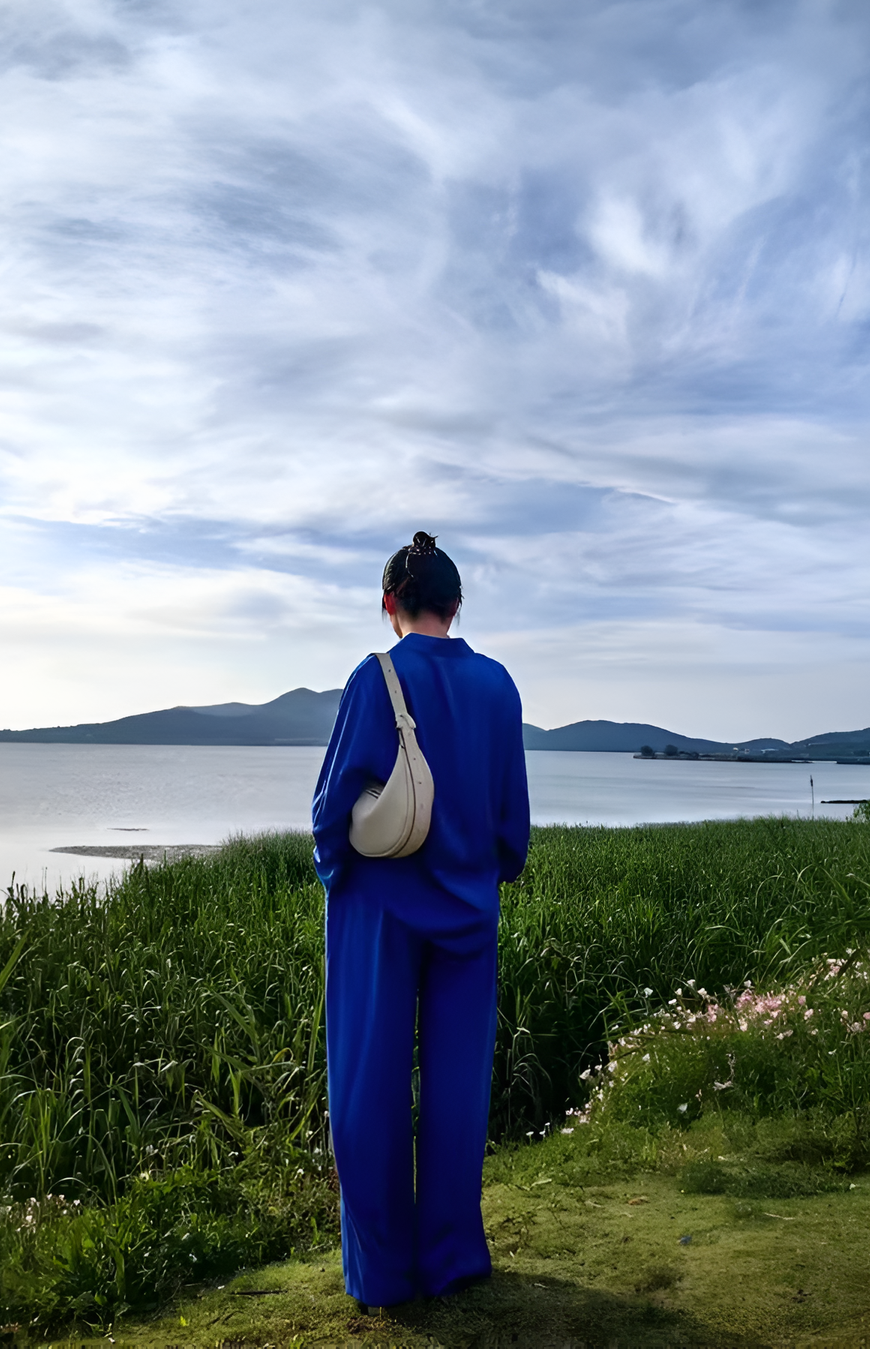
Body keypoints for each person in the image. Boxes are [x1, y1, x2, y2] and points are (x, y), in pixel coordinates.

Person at [312, 531, 530, 1310]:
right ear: (457, 603)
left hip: (381, 911)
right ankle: (451, 1257)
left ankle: (381, 1275)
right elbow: (514, 830)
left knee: (368, 1087)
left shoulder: (375, 680)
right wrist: (478, 876)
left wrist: (340, 877)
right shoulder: (500, 687)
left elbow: (330, 812)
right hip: (470, 913)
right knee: (457, 1088)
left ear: (387, 605)